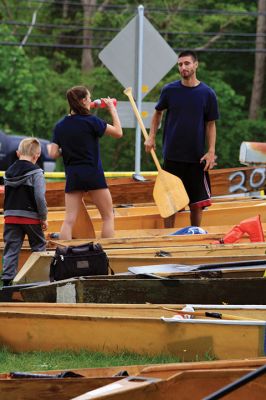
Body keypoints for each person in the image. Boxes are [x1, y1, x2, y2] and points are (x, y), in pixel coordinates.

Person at [145, 50, 219, 227]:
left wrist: (211, 151)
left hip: (196, 157)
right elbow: (157, 113)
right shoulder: (170, 90)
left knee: (196, 204)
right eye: (180, 64)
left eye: (187, 63)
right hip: (172, 156)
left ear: (196, 65)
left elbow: (211, 124)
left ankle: (194, 234)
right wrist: (151, 136)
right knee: (170, 202)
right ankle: (168, 239)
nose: (183, 67)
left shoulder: (207, 93)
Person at [48, 85, 123, 239]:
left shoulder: (60, 126)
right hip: (93, 173)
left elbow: (53, 153)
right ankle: (106, 254)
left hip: (74, 175)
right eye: (89, 98)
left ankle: (64, 254)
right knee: (108, 216)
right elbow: (118, 133)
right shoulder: (92, 121)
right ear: (83, 101)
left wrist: (67, 149)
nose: (90, 101)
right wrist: (112, 110)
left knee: (69, 220)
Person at [2, 138, 47, 286]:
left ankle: (7, 281)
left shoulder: (8, 173)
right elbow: (40, 197)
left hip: (10, 217)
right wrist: (43, 217)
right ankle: (39, 279)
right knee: (39, 246)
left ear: (18, 153)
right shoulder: (37, 172)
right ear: (37, 155)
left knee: (11, 249)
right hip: (31, 218)